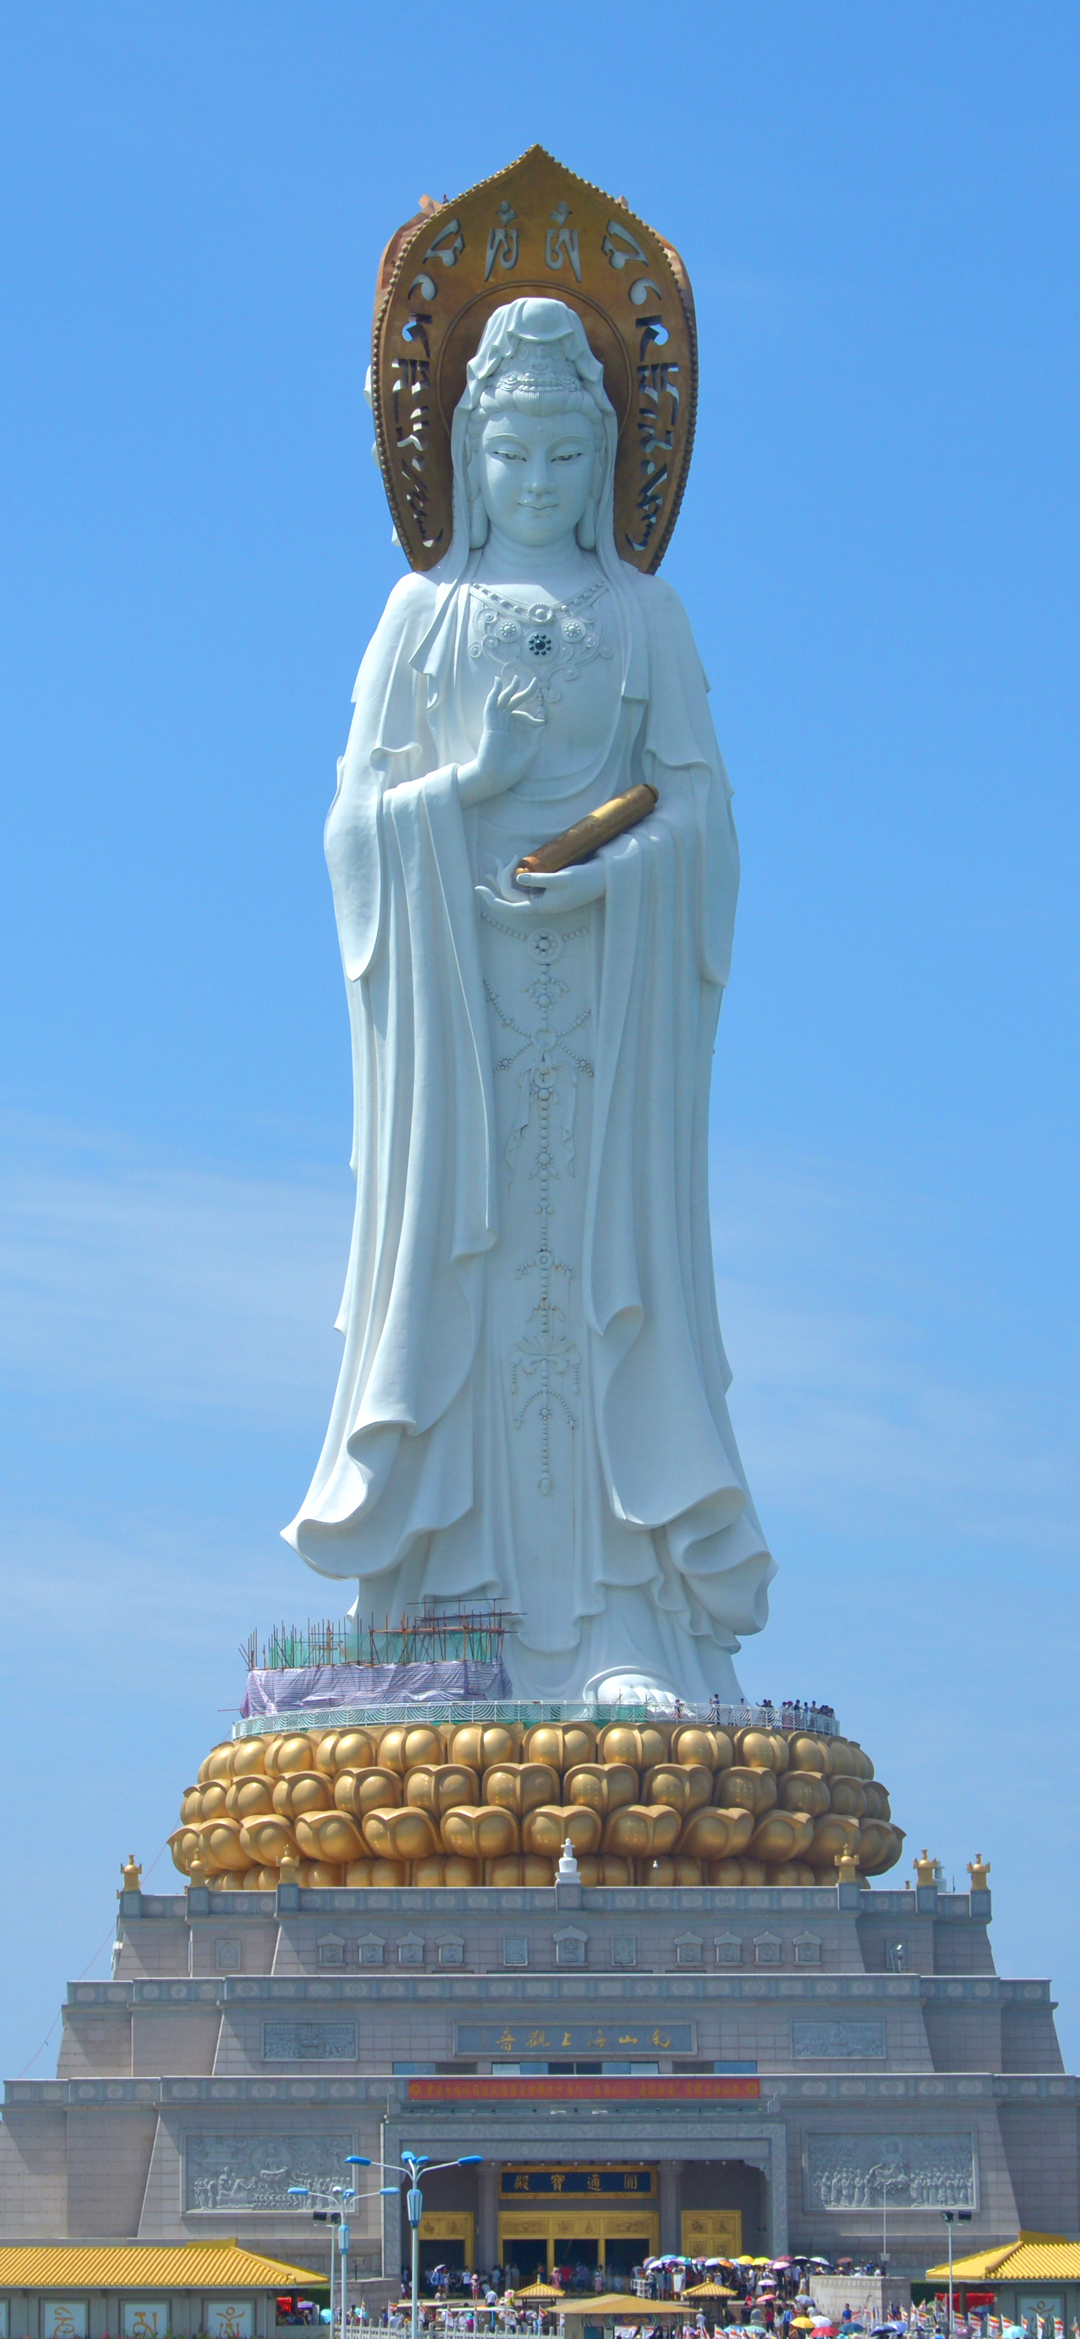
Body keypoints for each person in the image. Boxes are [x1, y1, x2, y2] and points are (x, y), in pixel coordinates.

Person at [283, 294, 774, 1708]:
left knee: (600, 1282)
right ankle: (451, 1620)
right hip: (459, 1026)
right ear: (467, 459)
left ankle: (622, 1626)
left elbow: (705, 823)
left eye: (566, 456)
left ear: (606, 459)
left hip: (608, 1021)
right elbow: (351, 832)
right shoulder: (422, 617)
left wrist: (615, 877)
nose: (541, 483)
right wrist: (475, 788)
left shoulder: (646, 618)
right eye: (513, 455)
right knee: (474, 1282)